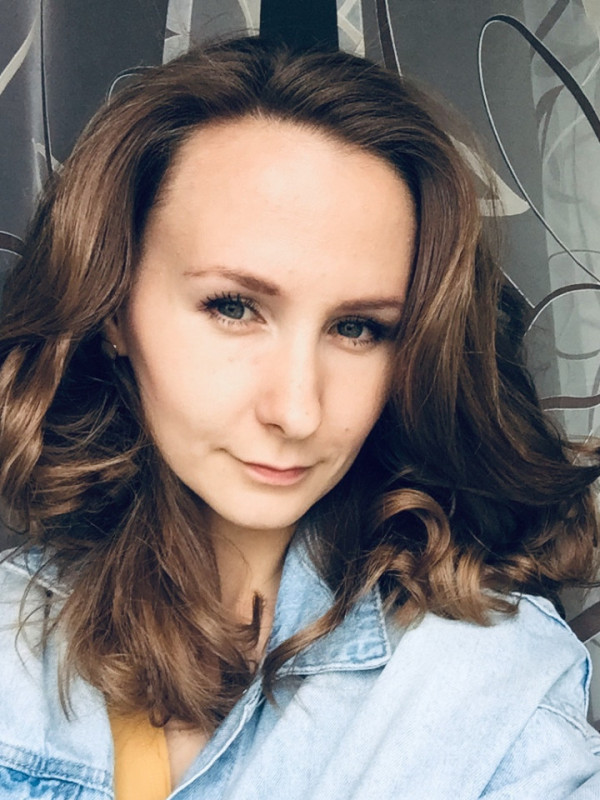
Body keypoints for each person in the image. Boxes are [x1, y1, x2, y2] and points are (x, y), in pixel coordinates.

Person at [0, 35, 599, 800]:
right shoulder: (12, 648)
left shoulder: (489, 697)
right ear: (115, 307)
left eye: (358, 328)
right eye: (233, 307)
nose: (297, 410)